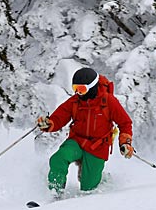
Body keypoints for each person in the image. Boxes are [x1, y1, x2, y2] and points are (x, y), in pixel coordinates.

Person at [36, 67, 134, 196]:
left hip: (97, 147)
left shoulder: (108, 101)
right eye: (75, 88)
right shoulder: (75, 101)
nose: (78, 93)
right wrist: (49, 124)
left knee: (88, 189)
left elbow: (125, 123)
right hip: (77, 141)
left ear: (92, 87)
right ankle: (55, 192)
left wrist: (125, 143)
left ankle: (102, 180)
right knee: (59, 158)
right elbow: (59, 117)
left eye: (81, 89)